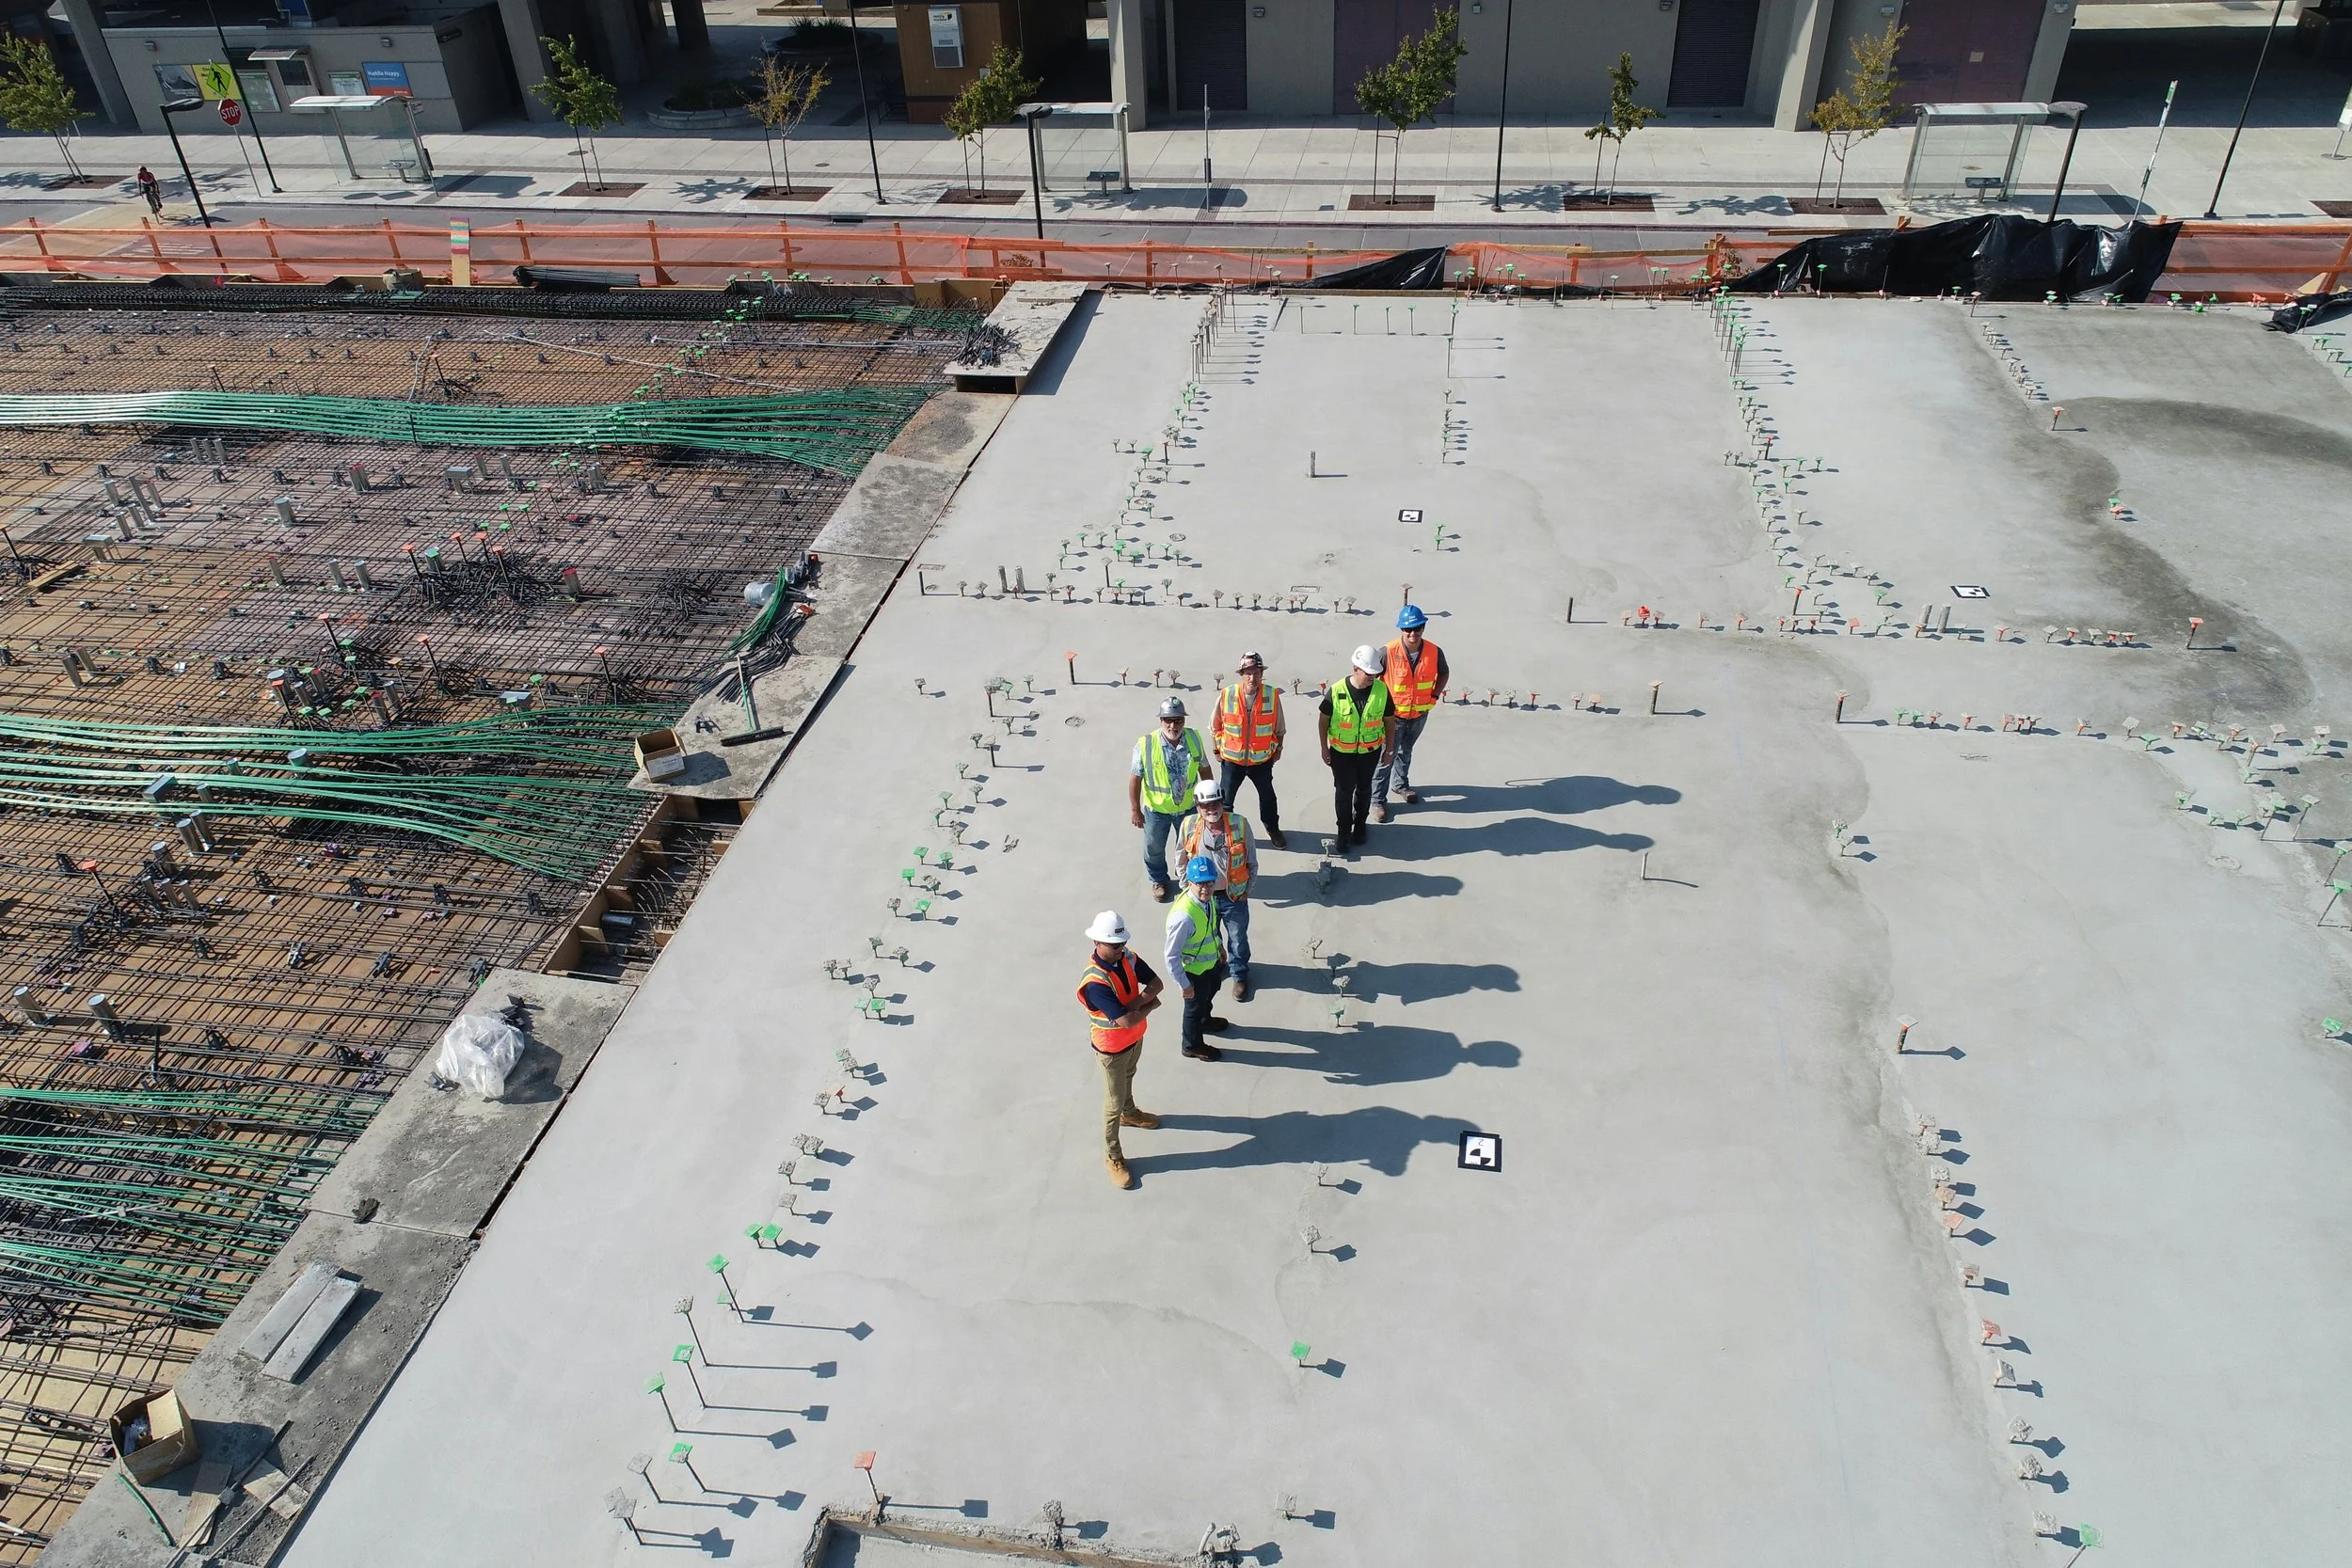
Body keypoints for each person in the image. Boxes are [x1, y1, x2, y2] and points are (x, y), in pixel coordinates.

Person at [1076, 910, 1164, 1189]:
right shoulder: (1095, 983)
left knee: (1130, 1077)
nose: (1120, 949)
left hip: (1134, 1038)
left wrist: (1136, 1008)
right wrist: (1147, 1005)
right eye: (1114, 945)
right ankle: (1113, 1156)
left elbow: (1156, 983)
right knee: (1112, 1103)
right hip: (1111, 1049)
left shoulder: (1127, 957)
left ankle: (1130, 1112)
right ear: (1097, 943)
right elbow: (1125, 1019)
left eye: (1122, 943)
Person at [1173, 776, 1257, 1002]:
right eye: (1206, 806)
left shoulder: (1240, 824)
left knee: (1238, 938)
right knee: (1211, 935)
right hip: (1203, 898)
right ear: (1198, 807)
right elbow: (1181, 857)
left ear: (1223, 803)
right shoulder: (1189, 825)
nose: (1212, 810)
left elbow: (1251, 860)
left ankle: (1239, 974)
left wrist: (1249, 887)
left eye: (1216, 804)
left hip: (1234, 896)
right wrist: (1185, 887)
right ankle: (1218, 965)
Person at [1127, 695, 1209, 903]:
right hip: (1157, 811)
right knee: (1153, 847)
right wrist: (1135, 810)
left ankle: (1191, 879)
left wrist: (1207, 803)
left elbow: (1205, 770)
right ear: (1161, 720)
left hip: (1189, 808)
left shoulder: (1194, 738)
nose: (1173, 725)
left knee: (1191, 846)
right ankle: (1158, 880)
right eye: (1168, 720)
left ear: (1184, 720)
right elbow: (1135, 779)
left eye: (1178, 720)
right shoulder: (1146, 744)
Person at [1374, 605, 1448, 821]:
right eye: (1408, 629)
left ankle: (1401, 786)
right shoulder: (1388, 651)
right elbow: (1372, 677)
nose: (1413, 633)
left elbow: (1444, 672)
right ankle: (1378, 800)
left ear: (1423, 627)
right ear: (1401, 630)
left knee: (1405, 751)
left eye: (1417, 628)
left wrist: (1434, 696)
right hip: (1392, 718)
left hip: (1419, 715)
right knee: (1386, 756)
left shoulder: (1435, 652)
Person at [1319, 645, 1395, 848]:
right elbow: (1323, 720)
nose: (1372, 677)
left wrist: (1389, 749)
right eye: (1368, 673)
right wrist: (1324, 748)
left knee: (1364, 789)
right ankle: (1343, 831)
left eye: (1374, 673)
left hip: (1369, 753)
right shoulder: (1336, 691)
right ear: (1356, 669)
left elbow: (1389, 721)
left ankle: (1360, 825)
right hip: (1341, 753)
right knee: (1343, 792)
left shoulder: (1381, 690)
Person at [1211, 651, 1287, 850]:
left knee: (1268, 798)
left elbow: (1279, 728)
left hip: (1261, 761)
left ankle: (1273, 829)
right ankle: (1223, 834)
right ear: (1241, 674)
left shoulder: (1271, 695)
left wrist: (1278, 748)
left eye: (1256, 672)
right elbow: (1215, 725)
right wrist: (1216, 751)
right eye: (1248, 673)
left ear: (1261, 673)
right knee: (1225, 801)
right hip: (1232, 761)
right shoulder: (1227, 694)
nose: (1252, 677)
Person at [1164, 855, 1230, 1060]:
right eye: (1200, 884)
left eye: (1209, 883)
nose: (1206, 888)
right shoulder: (1183, 917)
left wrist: (1219, 946)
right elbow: (1171, 955)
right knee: (1193, 1008)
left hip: (1208, 965)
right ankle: (1191, 1045)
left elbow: (1209, 928)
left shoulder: (1206, 900)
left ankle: (1204, 1019)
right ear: (1190, 882)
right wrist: (1184, 985)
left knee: (1213, 989)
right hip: (1193, 972)